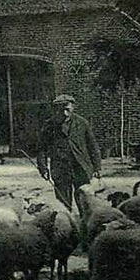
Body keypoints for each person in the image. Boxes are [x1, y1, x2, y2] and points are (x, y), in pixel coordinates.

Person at [36, 94, 102, 247]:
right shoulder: (49, 126)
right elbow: (41, 150)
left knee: (85, 206)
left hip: (81, 169)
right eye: (60, 111)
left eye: (67, 110)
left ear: (73, 108)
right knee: (64, 206)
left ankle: (87, 239)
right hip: (61, 170)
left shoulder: (82, 123)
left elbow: (93, 146)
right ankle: (66, 240)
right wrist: (43, 168)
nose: (64, 114)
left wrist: (97, 167)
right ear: (55, 111)